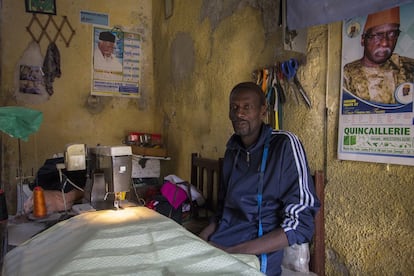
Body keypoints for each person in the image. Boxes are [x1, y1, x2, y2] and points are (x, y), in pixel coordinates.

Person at [199, 82, 320, 276]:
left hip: (254, 255)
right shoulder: (232, 151)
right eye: (234, 107)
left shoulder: (284, 145)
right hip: (221, 244)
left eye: (247, 107)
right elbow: (224, 210)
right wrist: (201, 238)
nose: (239, 113)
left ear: (263, 111)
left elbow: (301, 224)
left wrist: (231, 252)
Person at [343, 6, 414, 104]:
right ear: (363, 39)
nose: (385, 43)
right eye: (377, 35)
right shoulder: (347, 73)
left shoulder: (408, 67)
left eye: (392, 34)